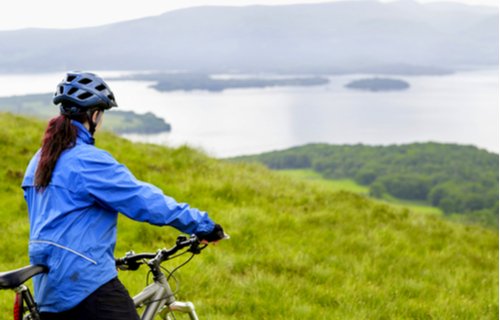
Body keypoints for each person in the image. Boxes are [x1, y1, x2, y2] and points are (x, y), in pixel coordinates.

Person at [21, 71, 225, 319]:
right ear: (95, 115)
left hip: (47, 290)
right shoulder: (88, 161)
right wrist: (202, 225)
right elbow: (144, 200)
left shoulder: (39, 161)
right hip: (85, 285)